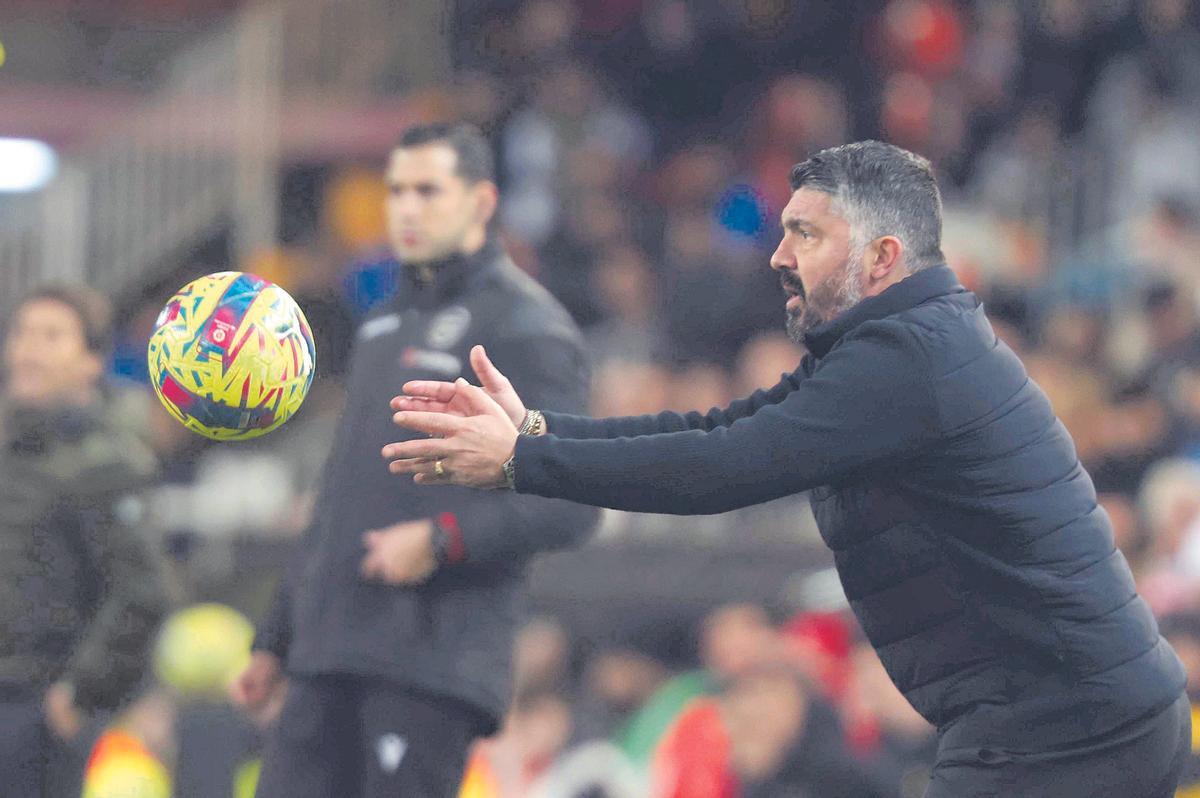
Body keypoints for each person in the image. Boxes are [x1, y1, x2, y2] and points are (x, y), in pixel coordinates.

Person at [384, 141, 1191, 797]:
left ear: (881, 255)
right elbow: (718, 426)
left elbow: (722, 468)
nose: (776, 255)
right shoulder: (898, 343)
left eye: (806, 233)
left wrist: (526, 461)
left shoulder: (909, 360)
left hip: (1065, 732)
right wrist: (535, 430)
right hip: (1077, 718)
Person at [233, 122, 599, 798]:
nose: (405, 207)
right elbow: (340, 495)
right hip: (327, 652)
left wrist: (439, 539)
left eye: (428, 190)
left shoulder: (528, 326)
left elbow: (574, 499)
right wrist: (277, 638)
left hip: (427, 660)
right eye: (396, 190)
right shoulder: (381, 321)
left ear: (482, 202)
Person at [0, 285, 169, 797]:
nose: (29, 350)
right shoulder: (10, 447)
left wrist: (77, 692)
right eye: (23, 334)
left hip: (38, 711)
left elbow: (142, 591)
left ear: (93, 361)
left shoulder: (109, 461)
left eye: (51, 337)